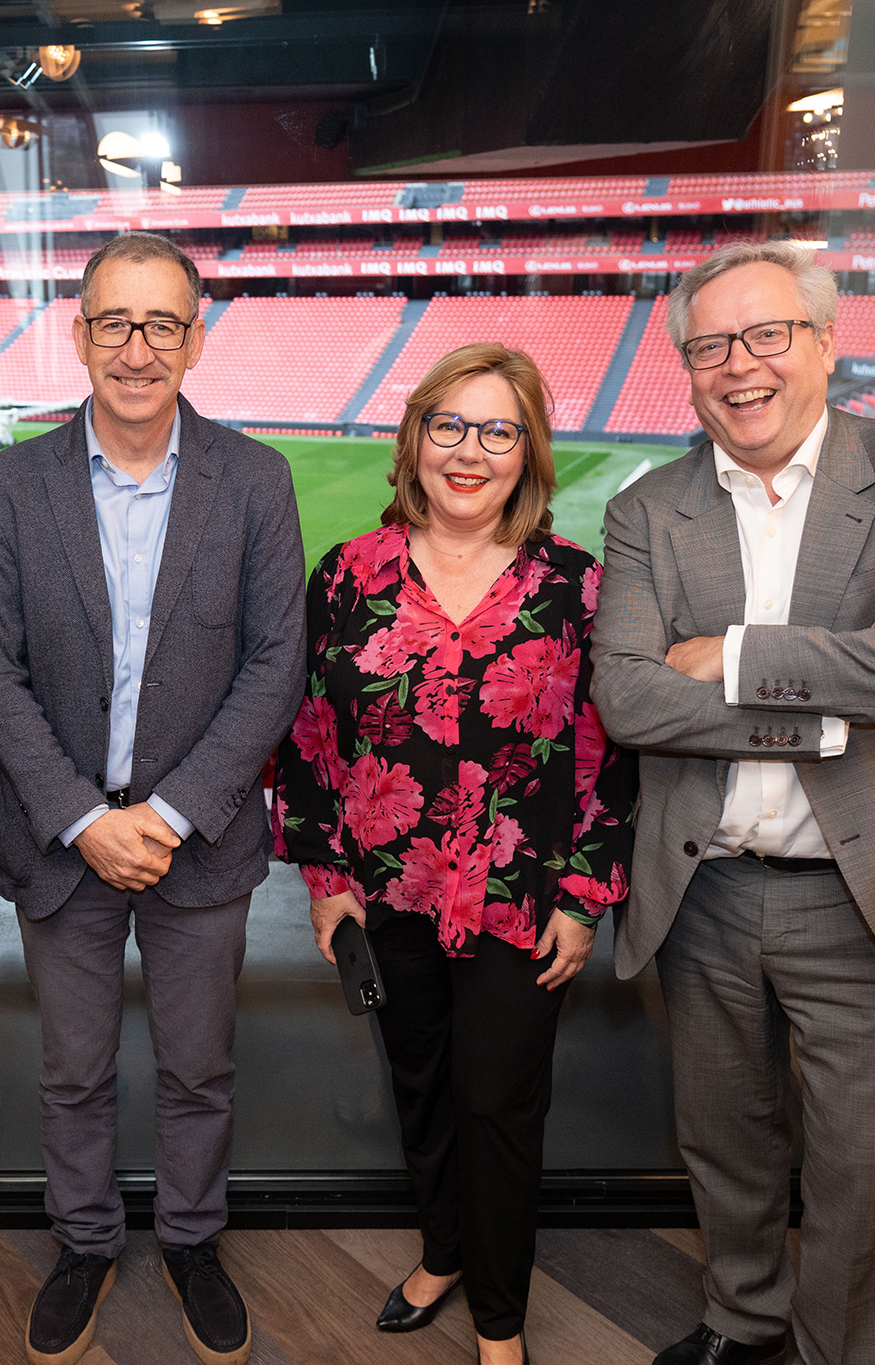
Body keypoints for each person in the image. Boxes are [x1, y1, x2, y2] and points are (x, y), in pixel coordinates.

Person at [589, 241, 875, 1365]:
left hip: (872, 894)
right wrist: (846, 687)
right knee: (724, 1144)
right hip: (708, 888)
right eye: (709, 346)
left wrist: (729, 655)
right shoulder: (648, 508)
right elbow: (629, 696)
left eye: (767, 334)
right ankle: (742, 1320)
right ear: (687, 368)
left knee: (862, 1170)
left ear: (826, 343)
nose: (740, 365)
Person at [0, 231, 306, 1365]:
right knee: (72, 1071)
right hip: (61, 839)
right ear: (79, 335)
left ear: (196, 340)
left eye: (163, 323)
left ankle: (193, 1238)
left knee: (198, 1067)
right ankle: (83, 1240)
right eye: (115, 321)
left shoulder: (255, 480)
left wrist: (163, 816)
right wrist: (84, 817)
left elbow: (275, 664)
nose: (137, 347)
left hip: (196, 843)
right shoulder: (11, 485)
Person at [272, 343, 634, 1365]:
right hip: (388, 892)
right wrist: (326, 879)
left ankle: (499, 1320)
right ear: (415, 438)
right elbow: (310, 731)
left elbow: (610, 752)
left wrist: (583, 895)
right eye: (449, 426)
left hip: (522, 897)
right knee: (421, 1081)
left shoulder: (576, 585)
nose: (469, 452)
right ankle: (440, 1251)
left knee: (496, 1101)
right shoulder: (348, 574)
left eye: (498, 430)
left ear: (529, 452)